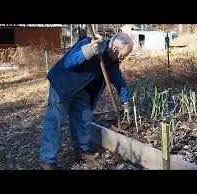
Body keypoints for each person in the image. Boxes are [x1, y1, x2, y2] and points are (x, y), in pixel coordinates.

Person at [39, 32, 134, 170]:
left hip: (82, 89)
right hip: (63, 85)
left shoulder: (112, 61)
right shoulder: (90, 43)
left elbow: (118, 81)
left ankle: (82, 150)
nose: (123, 58)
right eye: (123, 55)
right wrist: (88, 50)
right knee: (54, 121)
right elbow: (69, 62)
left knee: (84, 118)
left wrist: (126, 103)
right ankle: (47, 160)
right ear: (114, 48)